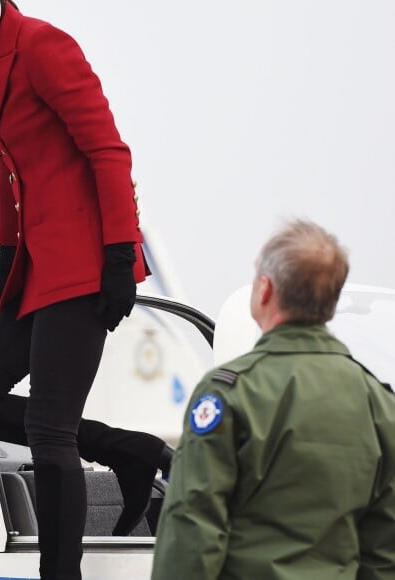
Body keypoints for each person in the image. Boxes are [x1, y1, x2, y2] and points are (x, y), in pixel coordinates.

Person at [0, 1, 171, 578]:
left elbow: (107, 151)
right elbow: (12, 168)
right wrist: (6, 256)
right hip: (36, 266)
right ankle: (130, 451)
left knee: (49, 432)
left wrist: (118, 254)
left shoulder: (43, 44)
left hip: (84, 260)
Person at [152, 219, 395, 580]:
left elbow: (193, 529)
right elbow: (383, 548)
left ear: (265, 289)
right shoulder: (379, 403)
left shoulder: (229, 394)